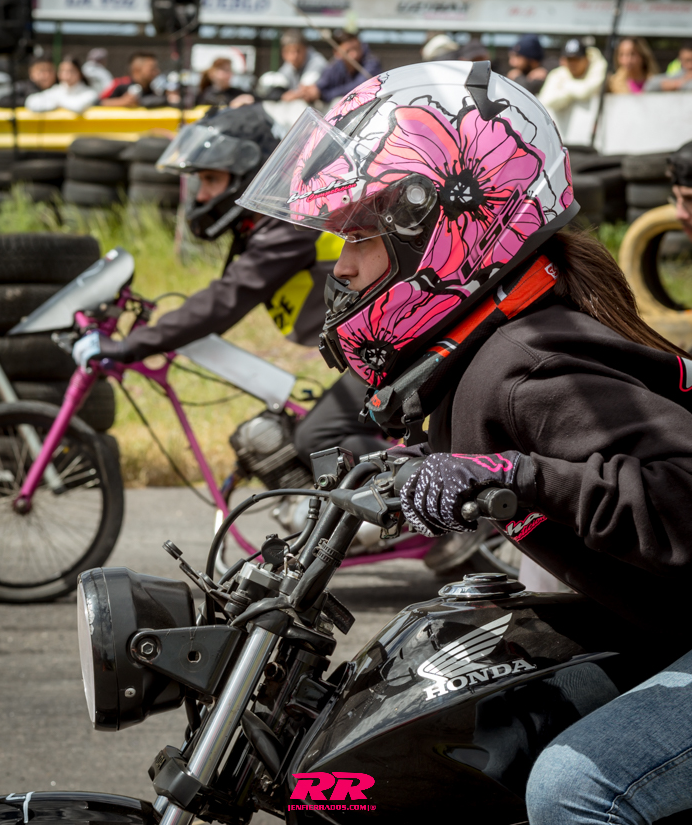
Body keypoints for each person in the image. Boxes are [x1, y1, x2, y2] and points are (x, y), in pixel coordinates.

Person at [239, 60, 692, 825]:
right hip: (662, 618)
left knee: (575, 788)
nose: (340, 266)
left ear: (444, 231)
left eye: (359, 237)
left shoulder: (525, 366)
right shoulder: (474, 359)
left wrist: (521, 475)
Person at [72, 103, 385, 465]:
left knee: (317, 438)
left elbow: (226, 300)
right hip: (372, 351)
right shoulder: (266, 224)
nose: (201, 196)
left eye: (211, 180)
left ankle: (417, 485)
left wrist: (130, 345)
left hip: (390, 350)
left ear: (245, 175)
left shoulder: (291, 226)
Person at [538, 37, 607, 130]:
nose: (573, 63)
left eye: (576, 59)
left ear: (586, 59)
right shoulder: (557, 74)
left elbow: (584, 91)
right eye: (569, 59)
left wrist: (564, 86)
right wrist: (570, 93)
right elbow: (546, 100)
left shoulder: (597, 69)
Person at [297, 29, 381, 105]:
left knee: (339, 101)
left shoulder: (371, 62)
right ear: (337, 53)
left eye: (357, 49)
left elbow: (358, 87)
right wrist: (311, 91)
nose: (354, 54)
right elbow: (322, 84)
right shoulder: (336, 65)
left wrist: (323, 94)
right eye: (348, 51)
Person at [263, 29, 328, 101]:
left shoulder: (317, 62)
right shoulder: (288, 66)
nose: (294, 56)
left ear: (306, 49)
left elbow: (307, 91)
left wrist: (294, 95)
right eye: (290, 51)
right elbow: (278, 88)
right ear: (283, 53)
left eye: (298, 51)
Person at [24, 55, 98, 113]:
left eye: (71, 71)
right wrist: (56, 104)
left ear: (79, 73)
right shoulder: (57, 90)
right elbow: (30, 102)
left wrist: (57, 102)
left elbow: (78, 107)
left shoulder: (90, 93)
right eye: (62, 71)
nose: (66, 76)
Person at [100, 51, 170, 108]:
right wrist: (122, 101)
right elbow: (98, 102)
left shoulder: (155, 89)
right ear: (137, 69)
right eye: (152, 68)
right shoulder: (120, 84)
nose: (157, 71)